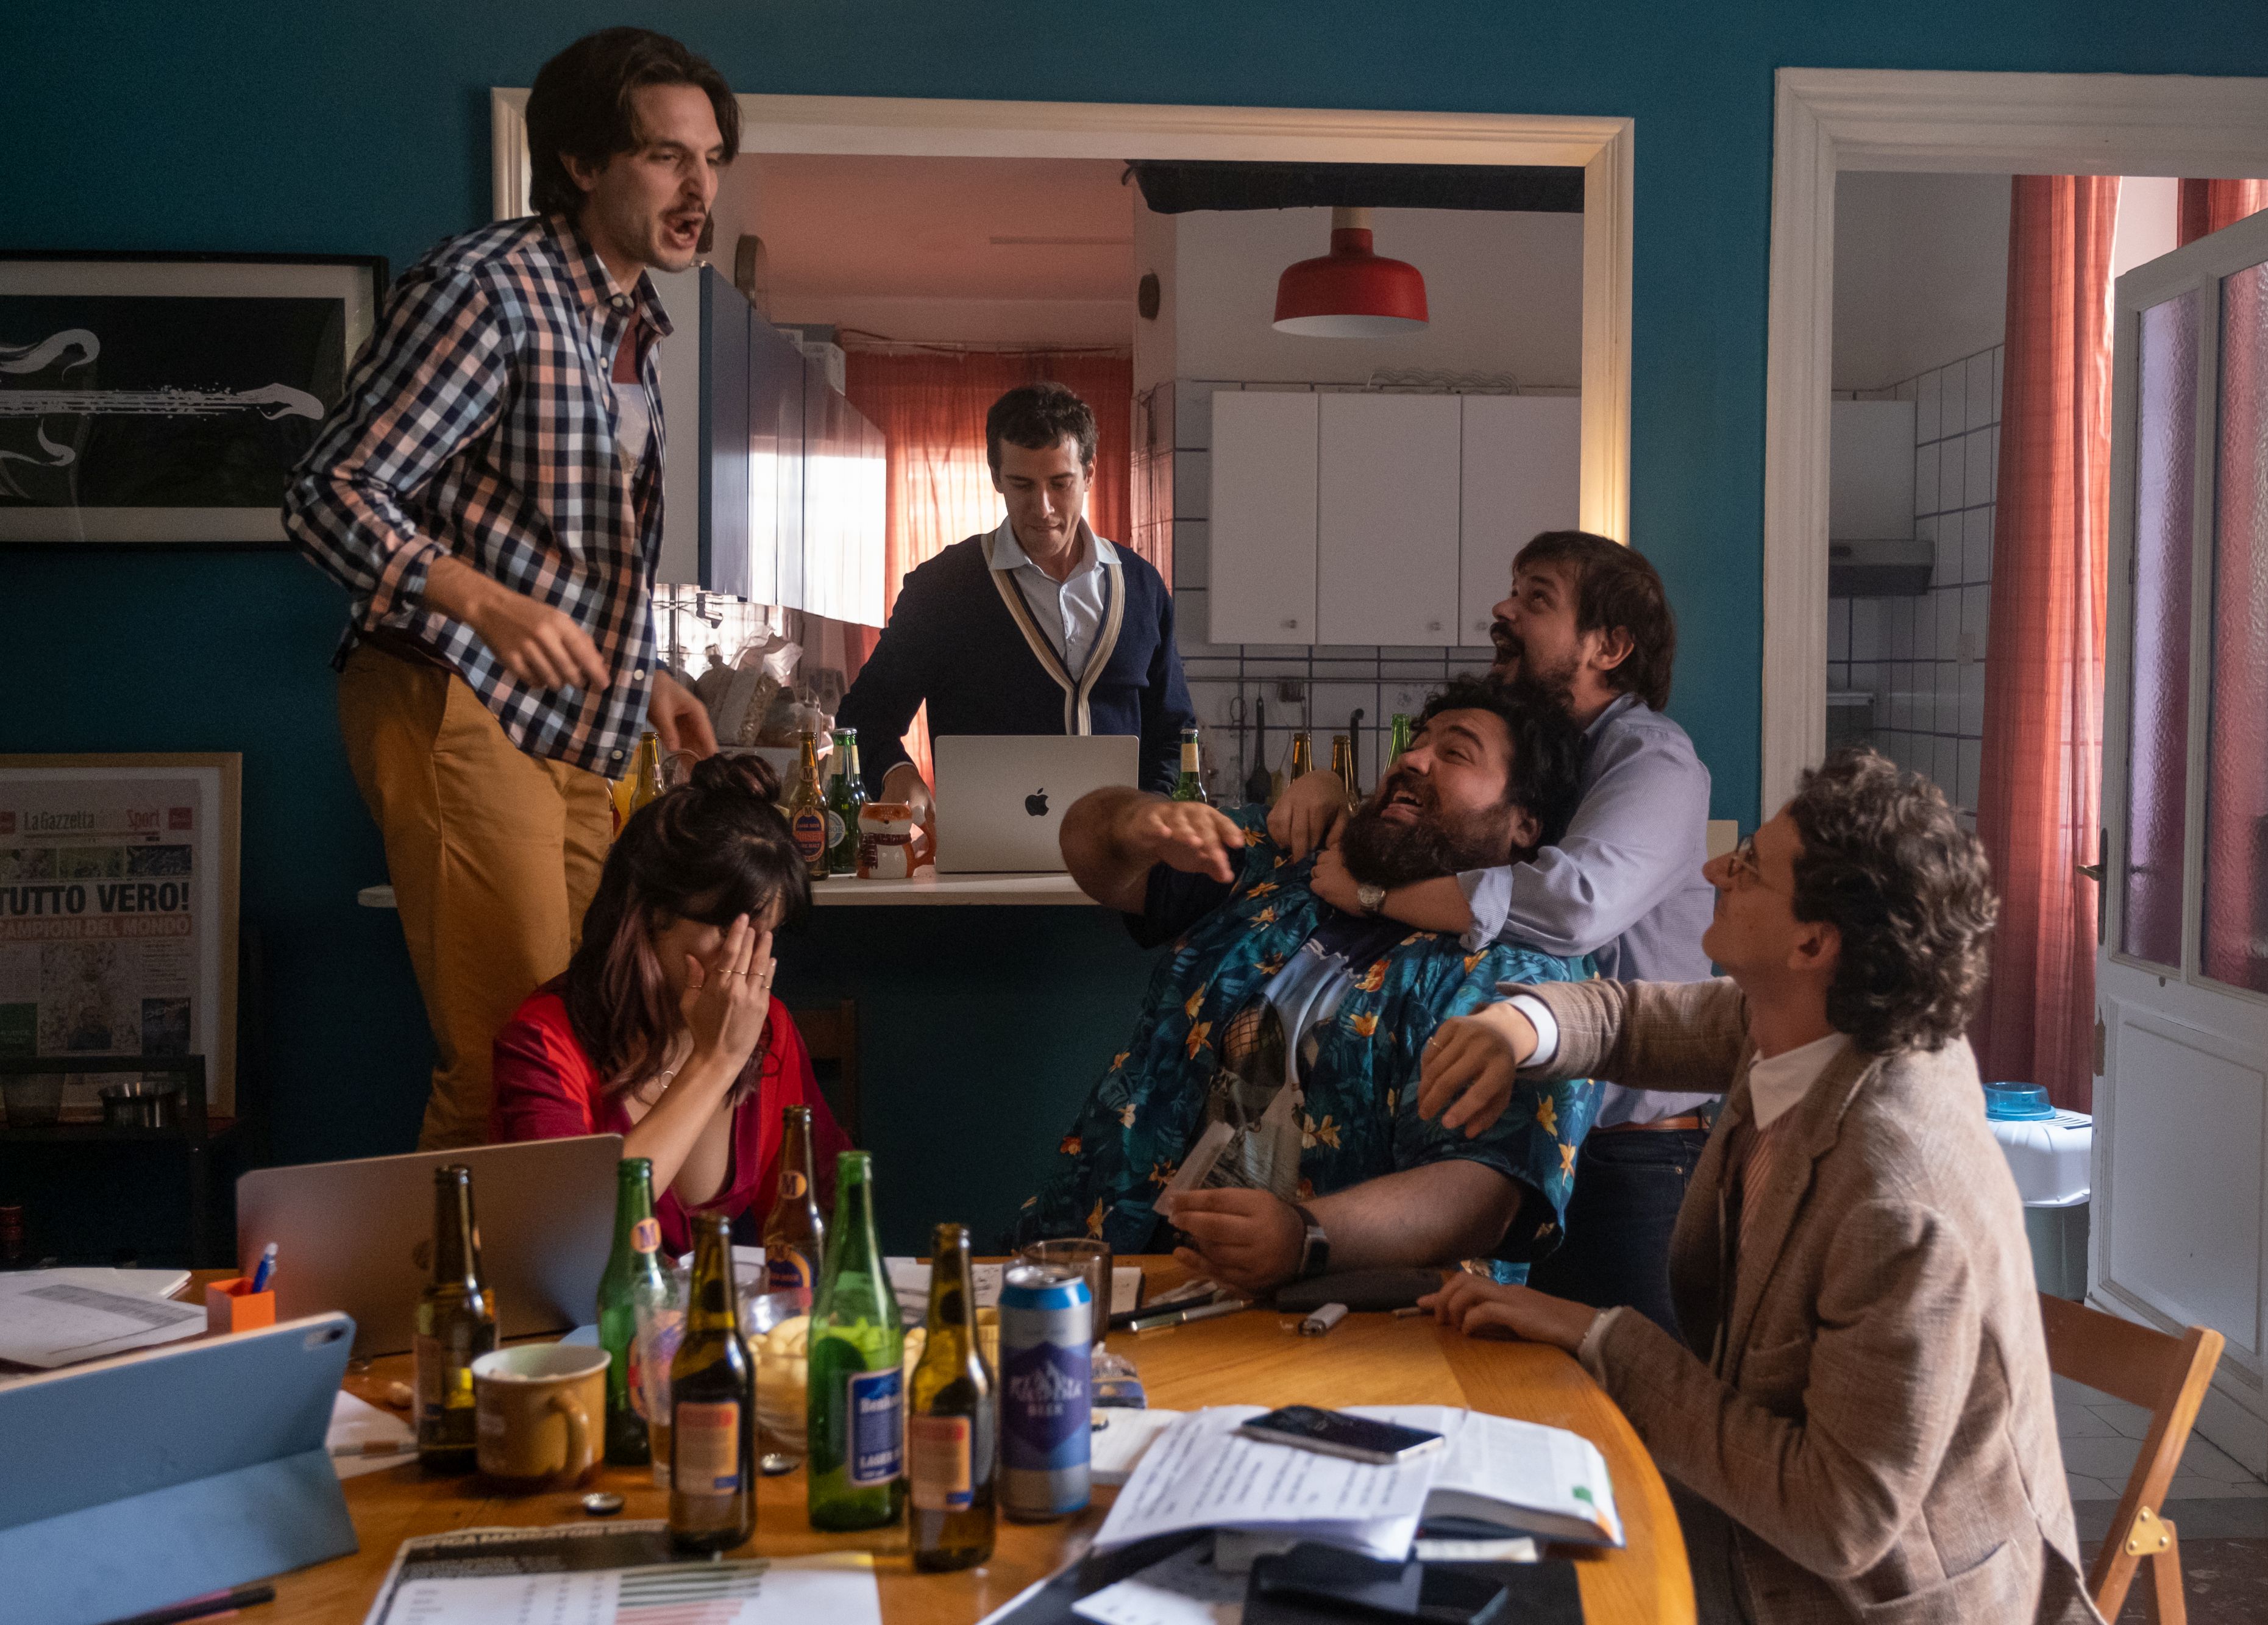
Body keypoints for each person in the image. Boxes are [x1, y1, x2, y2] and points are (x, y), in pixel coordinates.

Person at [1418, 749, 2097, 1625]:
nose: (1714, 871)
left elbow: (1837, 1518)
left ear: (1813, 943)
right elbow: (1629, 1017)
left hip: (1855, 1602)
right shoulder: (1814, 1023)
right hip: (1753, 1528)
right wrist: (1516, 1026)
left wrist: (1599, 1335)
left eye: (1748, 866)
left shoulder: (1898, 1198)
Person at [287, 28, 733, 1148]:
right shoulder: (488, 289)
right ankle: (460, 1274)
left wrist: (644, 674)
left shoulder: (631, 322)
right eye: (667, 158)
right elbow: (328, 491)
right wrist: (483, 603)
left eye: (712, 159)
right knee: (510, 1058)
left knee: (585, 1048)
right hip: (455, 695)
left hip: (573, 727)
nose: (700, 189)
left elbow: (552, 543)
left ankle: (569, 1266)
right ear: (580, 162)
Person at [1017, 676, 1599, 1296]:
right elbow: (1090, 851)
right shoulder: (1292, 860)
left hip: (1343, 1319)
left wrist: (1306, 1237)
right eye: (1416, 743)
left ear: (1523, 824)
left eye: (1455, 753)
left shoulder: (1523, 979)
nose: (1413, 760)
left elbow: (1485, 1196)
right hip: (1109, 1266)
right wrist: (1135, 820)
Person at [1268, 530, 1713, 1328]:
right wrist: (1333, 787)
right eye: (1514, 588)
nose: (1503, 609)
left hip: (1627, 1160)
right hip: (1523, 1145)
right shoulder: (1554, 754)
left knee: (1628, 1389)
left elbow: (1573, 905)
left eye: (1537, 597)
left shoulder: (1655, 761)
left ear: (1609, 646)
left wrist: (1373, 893)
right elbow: (1439, 834)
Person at [492, 754, 851, 1250]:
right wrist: (714, 1062)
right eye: (729, 930)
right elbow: (569, 1236)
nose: (749, 960)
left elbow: (826, 1208)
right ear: (650, 914)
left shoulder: (768, 1029)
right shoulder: (544, 1041)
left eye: (767, 935)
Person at [834, 382, 1193, 808]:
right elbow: (864, 718)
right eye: (1022, 485)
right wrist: (898, 774)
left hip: (1120, 845)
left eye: (1060, 484)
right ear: (996, 477)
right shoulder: (942, 589)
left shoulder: (1142, 586)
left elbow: (1175, 732)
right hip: (984, 845)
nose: (1043, 508)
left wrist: (1154, 807)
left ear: (1089, 474)